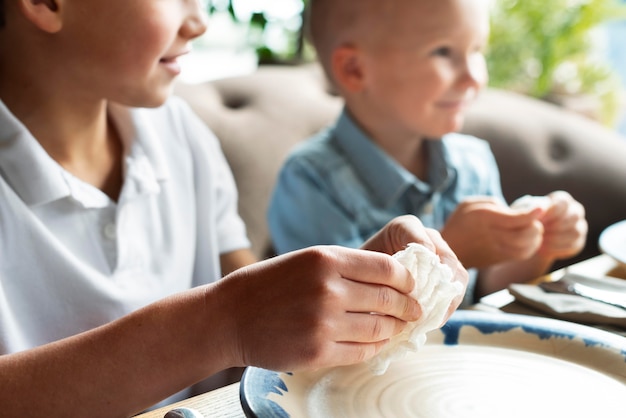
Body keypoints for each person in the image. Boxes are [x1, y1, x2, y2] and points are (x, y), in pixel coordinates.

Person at [0, 0, 468, 416]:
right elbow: (232, 317)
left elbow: (258, 315)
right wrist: (219, 323)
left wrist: (350, 300)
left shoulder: (179, 134)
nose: (199, 22)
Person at [268, 0, 588, 304]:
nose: (475, 78)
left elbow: (490, 286)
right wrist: (454, 248)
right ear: (355, 69)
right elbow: (337, 312)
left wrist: (540, 244)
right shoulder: (310, 181)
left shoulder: (473, 161)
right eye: (443, 52)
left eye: (476, 50)